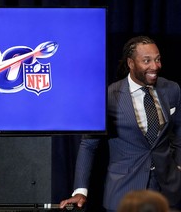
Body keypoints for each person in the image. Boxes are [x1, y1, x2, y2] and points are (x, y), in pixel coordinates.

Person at [59, 36, 181, 212]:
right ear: (131, 63)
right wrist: (80, 191)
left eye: (157, 59)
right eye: (146, 61)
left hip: (168, 192)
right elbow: (88, 145)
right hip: (124, 192)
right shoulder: (109, 97)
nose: (155, 66)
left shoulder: (172, 90)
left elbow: (178, 132)